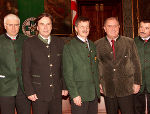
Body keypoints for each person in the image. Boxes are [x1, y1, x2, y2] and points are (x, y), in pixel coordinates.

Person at [22, 13, 68, 114]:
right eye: (42, 24)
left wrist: (64, 86)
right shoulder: (29, 43)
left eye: (48, 24)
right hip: (38, 93)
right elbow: (26, 70)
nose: (45, 27)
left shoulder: (60, 42)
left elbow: (63, 67)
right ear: (37, 27)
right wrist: (29, 91)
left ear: (52, 26)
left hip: (56, 92)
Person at [95, 17, 142, 114]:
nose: (113, 28)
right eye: (109, 26)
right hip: (108, 88)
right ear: (104, 28)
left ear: (119, 27)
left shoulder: (129, 42)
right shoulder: (97, 44)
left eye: (115, 26)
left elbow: (136, 64)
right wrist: (98, 82)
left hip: (127, 88)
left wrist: (137, 82)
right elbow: (96, 66)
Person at [63, 16, 100, 114]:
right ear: (76, 28)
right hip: (79, 94)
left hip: (93, 93)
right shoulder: (69, 47)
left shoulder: (92, 45)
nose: (85, 29)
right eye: (82, 26)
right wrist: (74, 94)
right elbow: (68, 73)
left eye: (87, 27)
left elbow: (95, 68)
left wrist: (98, 85)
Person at [0, 14, 31, 114]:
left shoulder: (26, 40)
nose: (13, 28)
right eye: (10, 25)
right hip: (4, 87)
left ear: (19, 26)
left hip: (24, 88)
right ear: (5, 26)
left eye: (16, 25)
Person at [134, 20, 150, 114]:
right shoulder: (132, 42)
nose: (142, 30)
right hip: (137, 83)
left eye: (146, 28)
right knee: (137, 110)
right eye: (141, 27)